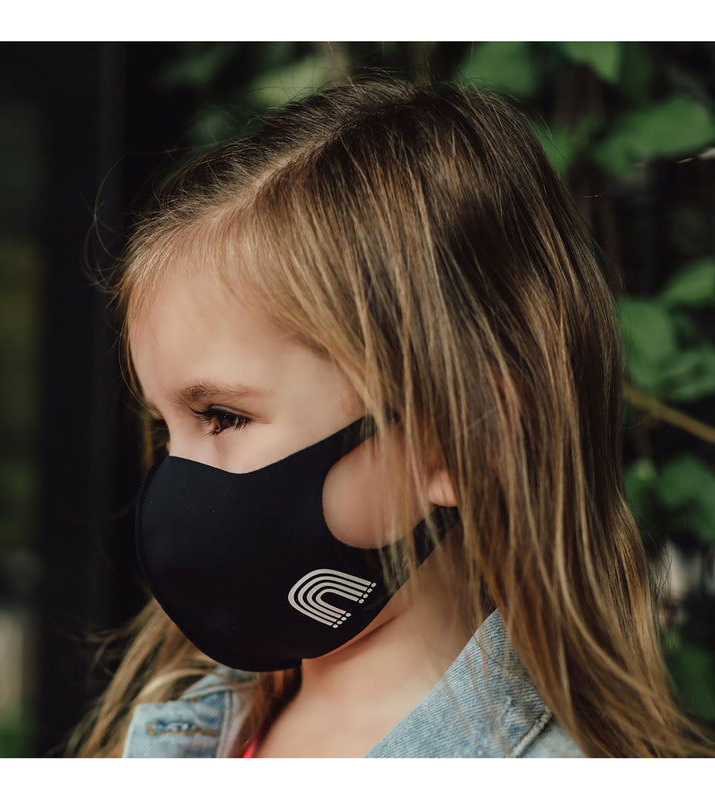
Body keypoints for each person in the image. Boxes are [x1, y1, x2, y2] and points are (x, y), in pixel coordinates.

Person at [69, 78, 712, 758]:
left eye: (223, 417)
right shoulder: (193, 735)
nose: (174, 484)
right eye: (166, 428)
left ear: (463, 437)